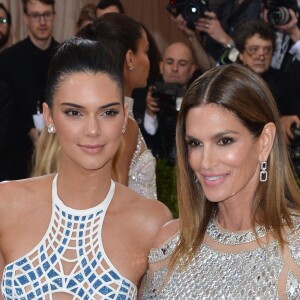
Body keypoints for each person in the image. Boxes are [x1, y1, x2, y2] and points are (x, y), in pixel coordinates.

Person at [0, 37, 172, 299]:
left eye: (108, 113)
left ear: (125, 116)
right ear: (49, 116)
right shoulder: (6, 204)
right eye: (74, 112)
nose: (93, 130)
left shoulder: (153, 224)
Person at [141, 63, 300, 299]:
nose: (205, 162)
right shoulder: (168, 245)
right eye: (195, 143)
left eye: (224, 141)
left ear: (265, 141)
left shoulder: (295, 250)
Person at [0, 0, 59, 180]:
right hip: (16, 156)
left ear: (54, 16)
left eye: (47, 14)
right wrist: (28, 130)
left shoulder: (64, 56)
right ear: (26, 18)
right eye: (35, 15)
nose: (42, 22)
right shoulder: (8, 59)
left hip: (57, 150)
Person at [233, 20, 300, 176]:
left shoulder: (286, 81)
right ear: (241, 54)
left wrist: (286, 120)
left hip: (276, 161)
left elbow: (292, 116)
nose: (261, 56)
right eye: (254, 49)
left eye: (267, 50)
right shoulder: (230, 83)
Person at [143, 41, 197, 164]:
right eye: (169, 62)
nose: (174, 69)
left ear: (191, 70)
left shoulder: (198, 100)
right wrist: (149, 112)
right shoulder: (145, 96)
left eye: (182, 64)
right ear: (161, 67)